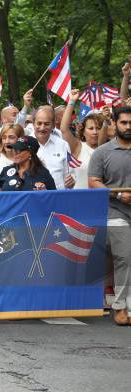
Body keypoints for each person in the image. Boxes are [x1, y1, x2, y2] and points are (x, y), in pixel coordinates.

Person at [88, 106, 131, 325]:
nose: (128, 126)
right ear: (114, 123)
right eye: (124, 122)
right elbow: (94, 182)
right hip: (114, 211)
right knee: (125, 255)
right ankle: (121, 307)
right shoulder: (102, 152)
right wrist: (120, 194)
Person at [61, 89, 105, 189]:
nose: (95, 132)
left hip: (102, 200)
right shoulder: (78, 147)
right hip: (79, 199)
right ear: (83, 131)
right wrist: (71, 101)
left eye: (98, 128)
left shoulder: (109, 149)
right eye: (91, 128)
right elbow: (64, 129)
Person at [33, 105, 75, 190]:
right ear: (33, 123)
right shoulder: (25, 144)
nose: (42, 127)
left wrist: (72, 181)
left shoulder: (63, 145)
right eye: (39, 123)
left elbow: (71, 173)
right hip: (32, 198)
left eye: (47, 124)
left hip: (58, 198)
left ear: (53, 126)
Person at [0, 124, 25, 191]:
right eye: (4, 138)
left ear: (20, 139)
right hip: (0, 199)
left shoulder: (27, 158)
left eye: (11, 137)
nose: (7, 141)